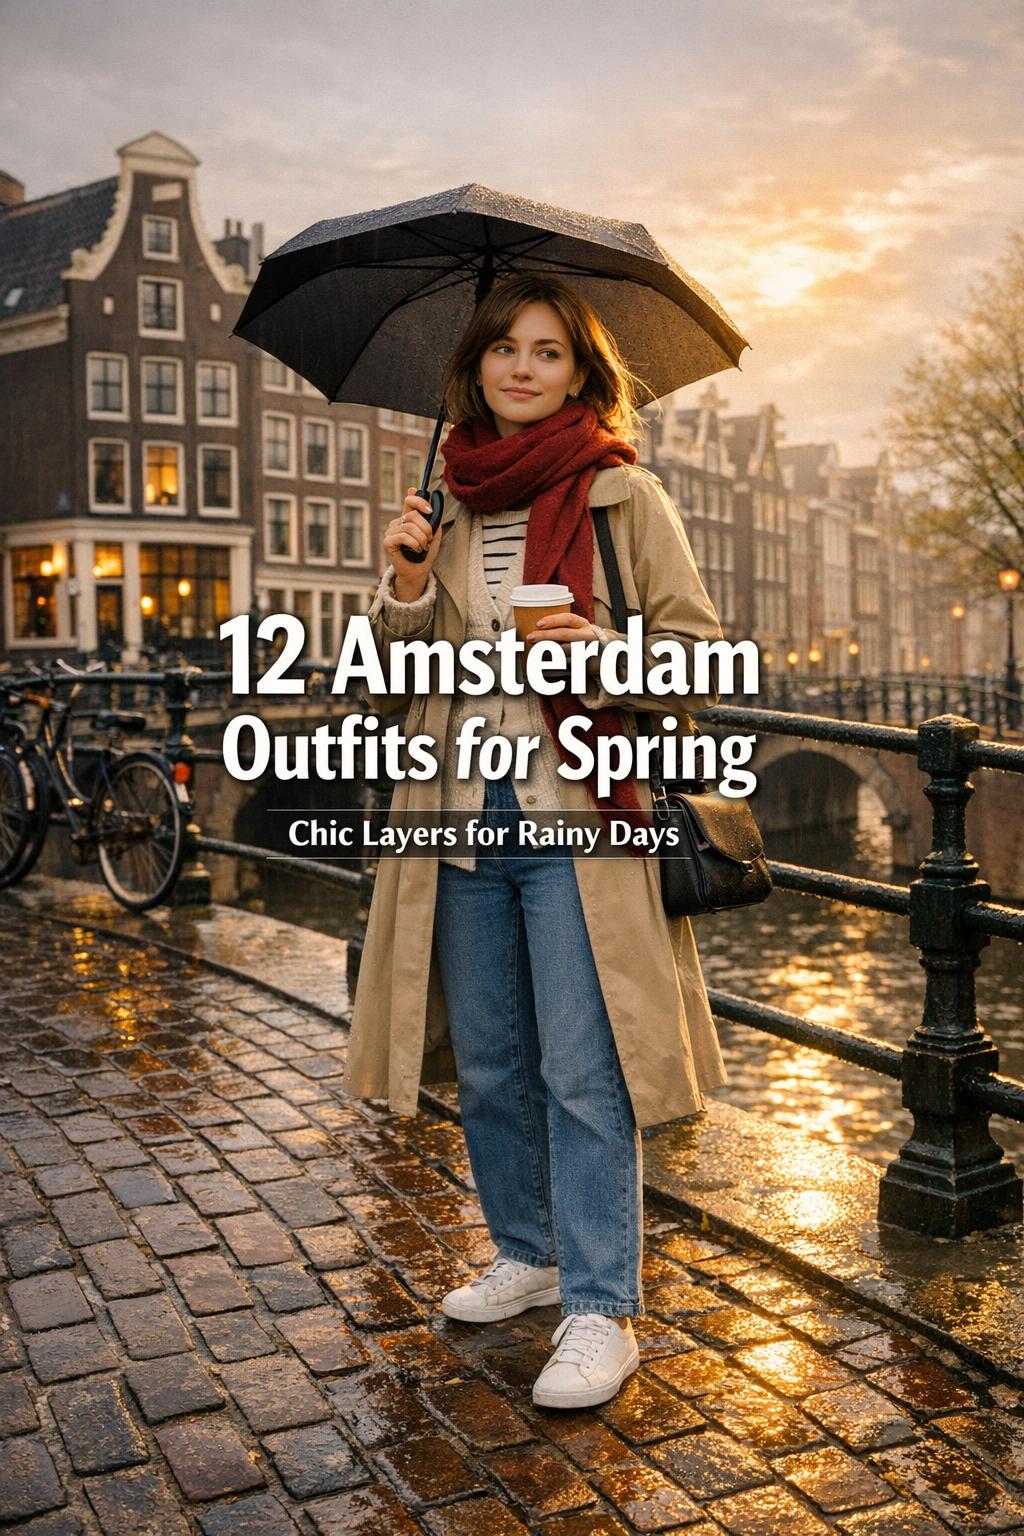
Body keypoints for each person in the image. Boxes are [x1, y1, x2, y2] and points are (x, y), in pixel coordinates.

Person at [342, 273, 728, 1409]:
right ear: (475, 367)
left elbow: (698, 661)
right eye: (505, 347)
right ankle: (529, 1251)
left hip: (578, 824)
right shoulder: (445, 503)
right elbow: (385, 683)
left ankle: (602, 1307)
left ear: (578, 372)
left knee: (582, 1068)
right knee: (492, 1063)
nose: (523, 367)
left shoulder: (622, 496)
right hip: (457, 819)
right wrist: (407, 582)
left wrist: (598, 648)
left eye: (548, 351)